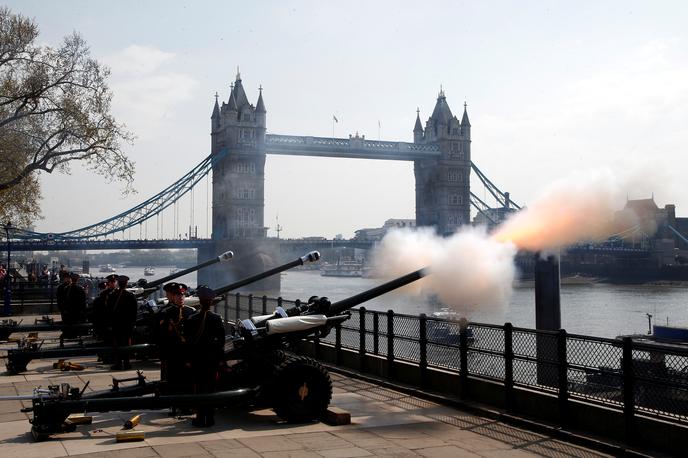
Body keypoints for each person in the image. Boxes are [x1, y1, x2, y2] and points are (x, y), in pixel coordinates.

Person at [184, 285, 225, 427]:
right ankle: (211, 417)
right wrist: (219, 360)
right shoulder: (217, 319)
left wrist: (189, 359)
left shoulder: (192, 319)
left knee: (199, 389)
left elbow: (188, 342)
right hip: (212, 360)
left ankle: (201, 417)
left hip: (197, 360)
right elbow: (221, 342)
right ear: (211, 302)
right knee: (211, 388)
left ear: (200, 302)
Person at [156, 282, 194, 397]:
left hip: (186, 351)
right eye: (178, 295)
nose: (181, 297)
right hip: (173, 351)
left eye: (182, 295)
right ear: (173, 297)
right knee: (173, 378)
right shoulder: (167, 312)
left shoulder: (190, 312)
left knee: (187, 378)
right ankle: (173, 401)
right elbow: (161, 334)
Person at [106, 275, 138, 370]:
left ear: (118, 283)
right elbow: (134, 312)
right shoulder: (130, 295)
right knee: (127, 344)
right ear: (126, 283)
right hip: (127, 325)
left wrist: (110, 323)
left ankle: (118, 363)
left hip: (116, 324)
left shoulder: (112, 295)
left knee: (117, 344)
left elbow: (108, 310)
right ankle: (127, 363)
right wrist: (132, 324)